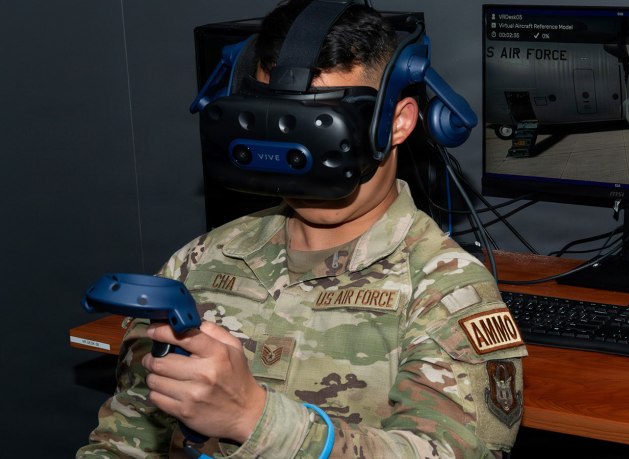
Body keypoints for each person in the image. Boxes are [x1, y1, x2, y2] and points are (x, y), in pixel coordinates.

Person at [77, 1, 527, 457]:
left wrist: (252, 418)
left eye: (323, 125)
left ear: (397, 122)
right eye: (284, 123)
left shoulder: (445, 293)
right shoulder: (200, 262)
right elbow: (125, 439)